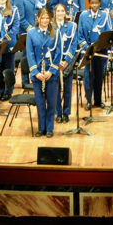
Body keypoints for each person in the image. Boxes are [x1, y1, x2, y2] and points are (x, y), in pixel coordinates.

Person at [25, 7, 71, 137]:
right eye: (42, 18)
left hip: (51, 73)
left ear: (50, 19)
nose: (45, 20)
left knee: (51, 102)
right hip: (37, 73)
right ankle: (41, 127)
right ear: (38, 18)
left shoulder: (56, 33)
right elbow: (30, 54)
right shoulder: (31, 33)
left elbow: (58, 54)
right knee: (40, 102)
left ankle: (50, 128)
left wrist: (51, 71)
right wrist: (36, 72)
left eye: (47, 18)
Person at [77, 0, 110, 110]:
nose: (94, 5)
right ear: (89, 3)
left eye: (96, 3)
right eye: (92, 3)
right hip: (88, 52)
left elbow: (108, 33)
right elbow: (80, 36)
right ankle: (89, 101)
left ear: (100, 3)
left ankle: (98, 100)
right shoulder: (83, 15)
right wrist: (88, 48)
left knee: (99, 76)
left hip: (101, 52)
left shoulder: (105, 15)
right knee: (88, 77)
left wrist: (100, 46)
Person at [51, 4, 78, 123]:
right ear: (54, 13)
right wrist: (57, 62)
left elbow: (74, 44)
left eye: (62, 11)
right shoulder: (50, 27)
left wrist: (66, 60)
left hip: (67, 62)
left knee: (67, 88)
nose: (60, 13)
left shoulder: (72, 26)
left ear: (65, 13)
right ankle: (58, 112)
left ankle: (66, 112)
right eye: (58, 11)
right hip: (54, 62)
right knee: (55, 88)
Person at [0, 0, 21, 101]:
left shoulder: (14, 10)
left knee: (9, 67)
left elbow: (15, 27)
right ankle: (0, 91)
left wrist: (5, 38)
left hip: (9, 43)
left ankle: (8, 91)